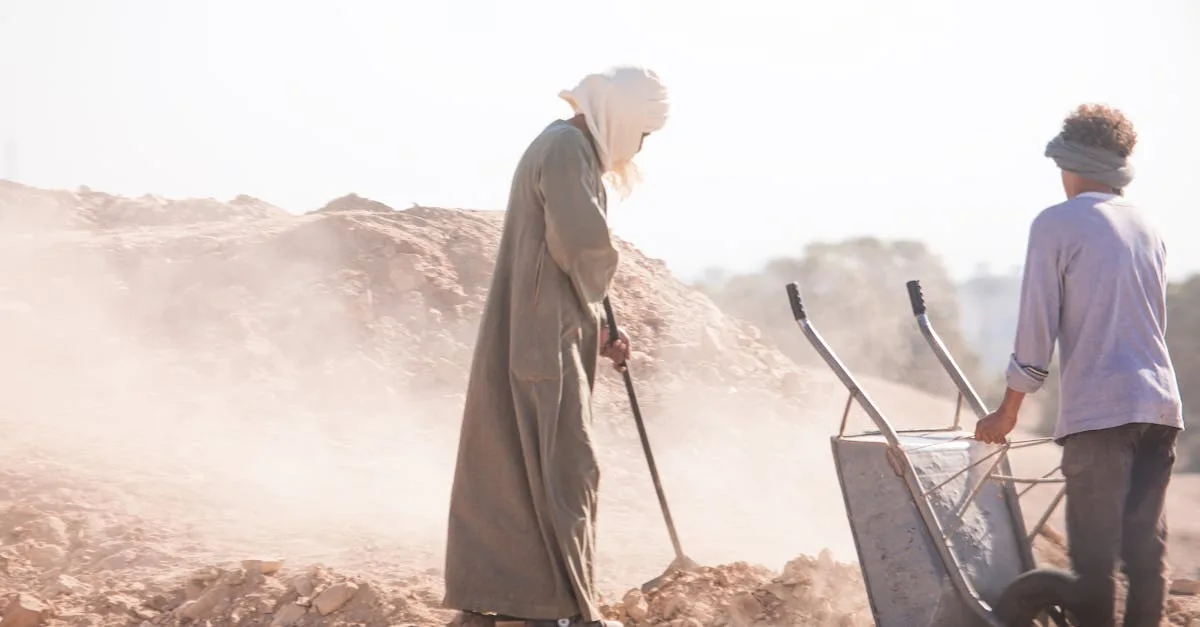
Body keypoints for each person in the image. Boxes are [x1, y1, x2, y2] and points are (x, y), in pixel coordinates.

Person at [441, 65, 670, 627]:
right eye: (643, 132)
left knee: (518, 464)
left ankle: (509, 602)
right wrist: (597, 299)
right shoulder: (567, 149)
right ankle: (563, 611)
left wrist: (601, 326)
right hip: (545, 338)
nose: (640, 146)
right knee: (567, 466)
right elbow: (583, 244)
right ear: (622, 115)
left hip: (544, 328)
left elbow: (566, 255)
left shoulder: (566, 146)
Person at [975, 104, 1183, 626]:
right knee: (1145, 559)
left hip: (1102, 411)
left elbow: (1036, 328)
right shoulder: (1148, 225)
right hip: (1160, 407)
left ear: (1069, 163)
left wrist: (1007, 411)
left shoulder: (1057, 224)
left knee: (1094, 565)